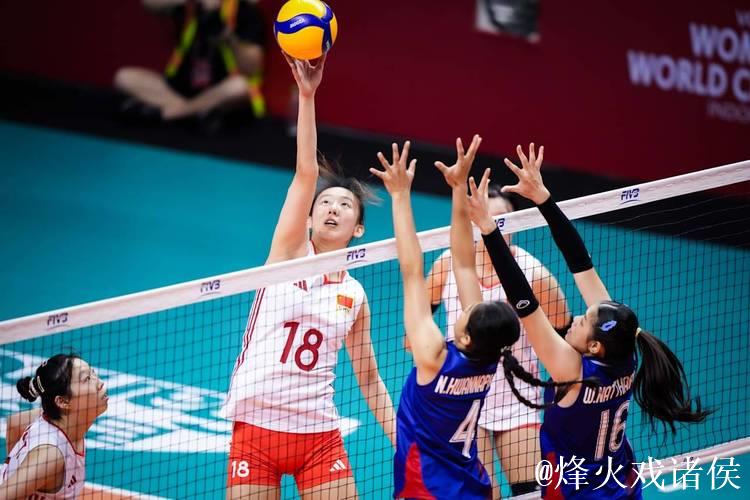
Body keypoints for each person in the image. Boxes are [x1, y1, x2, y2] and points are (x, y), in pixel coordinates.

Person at [466, 143, 711, 499]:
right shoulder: (623, 351)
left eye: (582, 323)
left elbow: (524, 302)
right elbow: (581, 263)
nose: (578, 318)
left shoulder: (573, 371)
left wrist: (489, 231)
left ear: (594, 346)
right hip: (622, 487)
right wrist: (544, 199)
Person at [221, 53, 396, 500]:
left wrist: (403, 439)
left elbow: (369, 378)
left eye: (345, 205)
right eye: (325, 203)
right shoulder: (287, 255)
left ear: (358, 229)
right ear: (309, 218)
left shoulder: (354, 294)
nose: (333, 208)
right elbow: (305, 174)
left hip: (318, 433)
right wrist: (307, 94)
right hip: (256, 426)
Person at [372, 135, 555, 499]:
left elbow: (412, 270)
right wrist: (458, 189)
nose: (465, 307)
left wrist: (400, 196)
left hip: (426, 489)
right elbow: (464, 262)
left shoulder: (432, 355)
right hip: (472, 486)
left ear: (467, 336)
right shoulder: (488, 362)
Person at [425, 184, 571, 496]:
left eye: (502, 218)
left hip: (516, 400)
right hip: (464, 398)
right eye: (486, 216)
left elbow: (565, 333)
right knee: (480, 494)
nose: (493, 224)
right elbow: (418, 329)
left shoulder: (533, 274)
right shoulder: (446, 266)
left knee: (532, 492)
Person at [114, 0, 266, 125]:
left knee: (239, 87)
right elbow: (149, 4)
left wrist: (227, 37)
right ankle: (193, 113)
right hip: (181, 90)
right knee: (124, 77)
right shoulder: (188, 8)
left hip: (218, 92)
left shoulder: (244, 11)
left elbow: (251, 68)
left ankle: (169, 113)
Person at [1, 354, 108, 499]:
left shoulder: (55, 418)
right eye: (87, 379)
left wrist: (13, 467)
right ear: (63, 402)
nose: (100, 383)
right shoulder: (50, 455)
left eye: (93, 373)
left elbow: (15, 423)